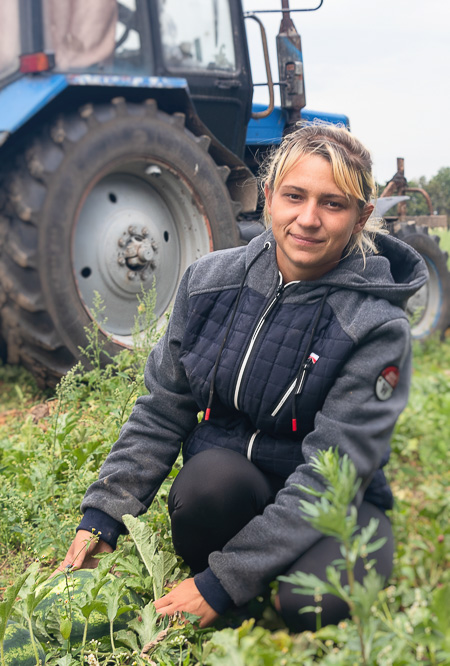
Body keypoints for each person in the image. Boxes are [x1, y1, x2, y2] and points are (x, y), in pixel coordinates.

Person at [59, 123, 428, 632]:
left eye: (333, 204)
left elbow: (332, 475)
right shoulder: (209, 281)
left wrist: (221, 582)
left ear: (361, 216)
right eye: (294, 196)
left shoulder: (376, 327)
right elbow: (163, 409)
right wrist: (102, 515)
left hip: (338, 503)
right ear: (269, 197)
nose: (308, 219)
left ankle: (259, 588)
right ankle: (243, 571)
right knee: (206, 487)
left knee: (310, 604)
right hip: (237, 485)